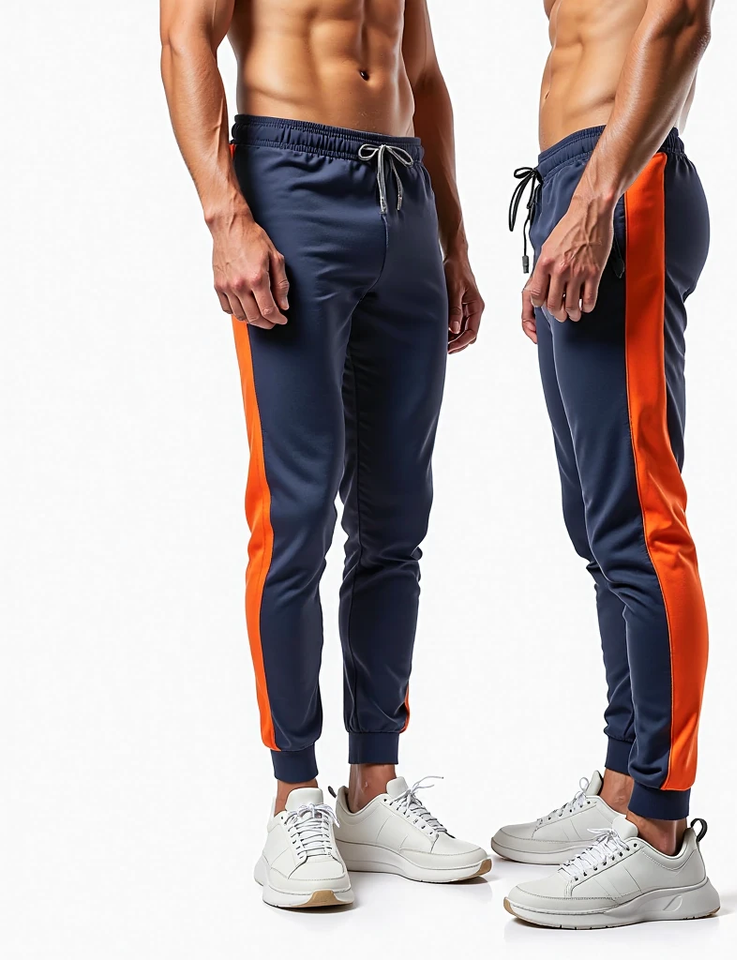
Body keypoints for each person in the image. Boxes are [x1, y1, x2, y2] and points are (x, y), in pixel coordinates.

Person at [160, 0, 489, 909]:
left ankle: (374, 786)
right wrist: (225, 214)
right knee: (296, 511)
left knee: (396, 517)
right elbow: (185, 34)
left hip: (403, 193)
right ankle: (294, 795)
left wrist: (452, 235)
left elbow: (423, 76)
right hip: (290, 181)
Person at [496, 0, 720, 928]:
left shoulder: (609, 187)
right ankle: (626, 781)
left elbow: (682, 22)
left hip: (621, 180)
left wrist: (593, 200)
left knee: (639, 523)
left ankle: (662, 835)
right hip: (575, 183)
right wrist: (559, 210)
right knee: (597, 527)